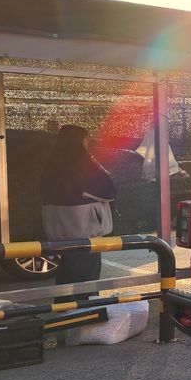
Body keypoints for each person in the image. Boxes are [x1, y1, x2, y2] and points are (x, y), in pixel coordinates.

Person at [39, 125, 117, 298]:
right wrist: (93, 161)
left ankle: (64, 309)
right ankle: (85, 310)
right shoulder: (83, 164)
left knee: (66, 277)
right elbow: (109, 190)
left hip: (57, 232)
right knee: (86, 280)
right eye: (87, 139)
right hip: (83, 232)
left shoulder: (52, 165)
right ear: (81, 141)